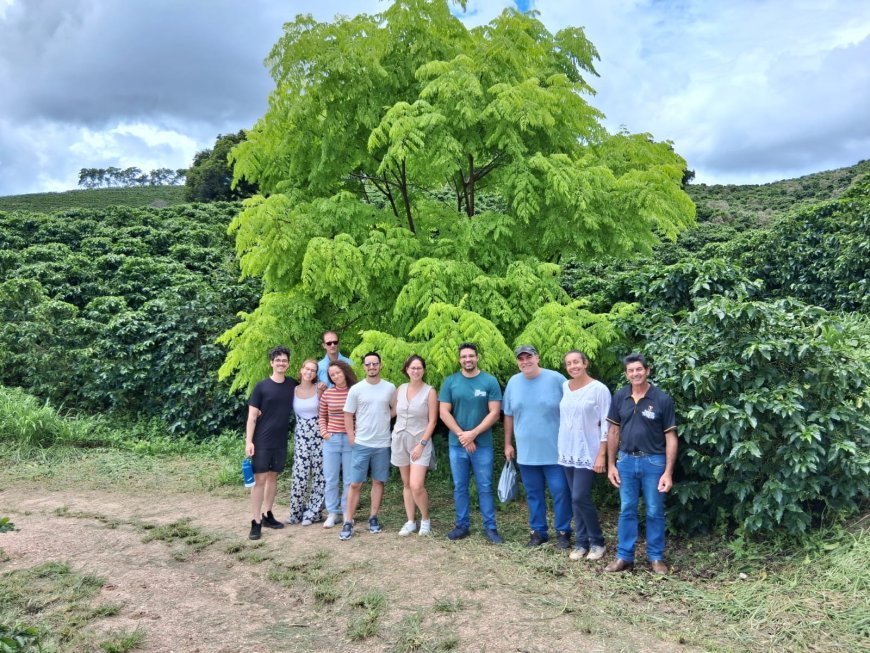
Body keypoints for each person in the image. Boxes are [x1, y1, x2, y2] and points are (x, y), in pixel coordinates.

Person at [604, 353, 678, 575]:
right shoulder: (620, 397)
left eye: (639, 369)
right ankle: (624, 557)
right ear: (626, 374)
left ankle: (656, 558)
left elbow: (671, 437)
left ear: (647, 371)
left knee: (654, 510)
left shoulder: (662, 399)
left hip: (654, 462)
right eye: (630, 370)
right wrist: (611, 464)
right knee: (627, 509)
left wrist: (668, 472)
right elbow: (613, 431)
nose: (635, 374)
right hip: (625, 461)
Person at [503, 345, 572, 549]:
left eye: (529, 357)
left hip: (555, 451)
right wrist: (507, 443)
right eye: (521, 359)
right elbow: (508, 414)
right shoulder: (513, 382)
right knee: (533, 494)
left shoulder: (557, 379)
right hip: (526, 452)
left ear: (537, 357)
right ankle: (538, 532)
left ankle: (563, 532)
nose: (525, 361)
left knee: (560, 492)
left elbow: (572, 409)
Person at [438, 342, 503, 544]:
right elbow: (443, 412)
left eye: (471, 356)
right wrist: (462, 436)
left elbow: (494, 413)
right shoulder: (450, 382)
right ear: (459, 359)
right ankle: (462, 526)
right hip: (457, 445)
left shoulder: (489, 381)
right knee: (460, 486)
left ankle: (490, 528)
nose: (468, 359)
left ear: (477, 358)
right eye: (464, 356)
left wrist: (473, 434)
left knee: (484, 486)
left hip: (482, 444)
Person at [558, 350, 612, 561]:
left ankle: (597, 542)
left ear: (585, 363)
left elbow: (607, 423)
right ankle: (581, 543)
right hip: (567, 450)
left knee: (580, 496)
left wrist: (602, 455)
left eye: (576, 362)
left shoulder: (599, 389)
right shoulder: (565, 387)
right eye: (569, 363)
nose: (573, 366)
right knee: (574, 498)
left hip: (588, 451)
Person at [340, 352, 396, 540]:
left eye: (375, 364)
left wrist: (385, 417)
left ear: (381, 365)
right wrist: (351, 435)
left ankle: (373, 517)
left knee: (378, 481)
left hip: (382, 443)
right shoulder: (356, 389)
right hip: (361, 442)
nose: (372, 367)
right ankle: (348, 521)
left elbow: (395, 408)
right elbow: (348, 414)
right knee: (355, 483)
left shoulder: (389, 388)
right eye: (368, 364)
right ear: (363, 367)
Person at [245, 345, 298, 540]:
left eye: (284, 360)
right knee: (259, 481)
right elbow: (251, 417)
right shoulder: (261, 386)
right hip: (261, 441)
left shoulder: (292, 384)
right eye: (278, 360)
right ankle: (256, 521)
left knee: (273, 478)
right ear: (272, 363)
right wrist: (249, 441)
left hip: (280, 441)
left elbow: (310, 388)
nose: (281, 363)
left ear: (288, 363)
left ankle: (268, 514)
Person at [390, 355, 438, 536]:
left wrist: (422, 444)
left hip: (420, 441)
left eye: (419, 368)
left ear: (423, 370)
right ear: (407, 370)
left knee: (416, 485)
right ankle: (410, 521)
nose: (416, 371)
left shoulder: (430, 391)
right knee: (406, 484)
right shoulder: (400, 389)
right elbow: (393, 412)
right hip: (399, 439)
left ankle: (425, 519)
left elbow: (433, 421)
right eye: (413, 368)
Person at [318, 360, 357, 529]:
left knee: (349, 479)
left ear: (345, 372)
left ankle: (347, 512)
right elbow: (321, 416)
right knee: (331, 479)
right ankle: (332, 513)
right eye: (332, 375)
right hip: (331, 440)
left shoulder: (355, 392)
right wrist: (324, 433)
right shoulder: (327, 393)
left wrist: (355, 436)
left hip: (350, 440)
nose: (335, 376)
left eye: (338, 373)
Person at [287, 358, 325, 526]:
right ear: (301, 370)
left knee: (320, 476)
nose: (309, 372)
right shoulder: (292, 390)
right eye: (307, 369)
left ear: (316, 374)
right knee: (300, 475)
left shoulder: (320, 388)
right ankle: (295, 513)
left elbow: (326, 410)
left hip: (319, 436)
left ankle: (313, 513)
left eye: (313, 370)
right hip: (301, 436)